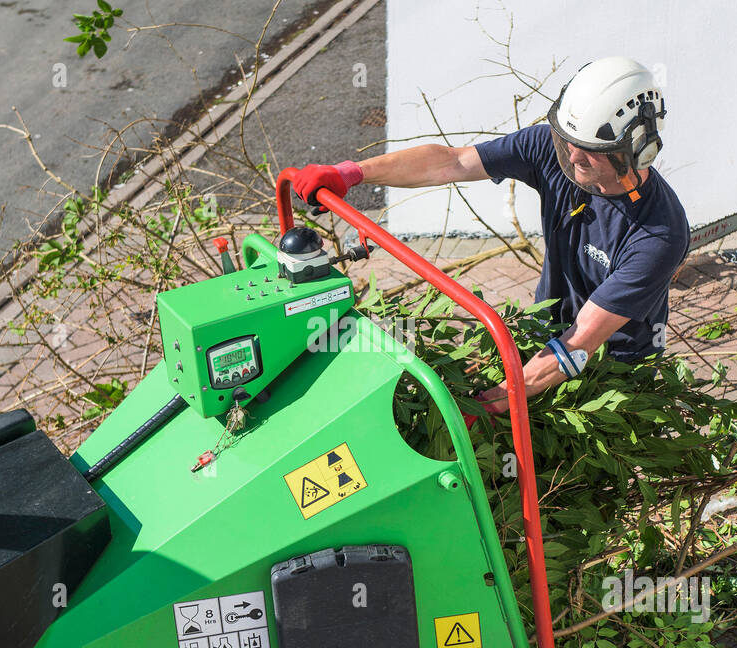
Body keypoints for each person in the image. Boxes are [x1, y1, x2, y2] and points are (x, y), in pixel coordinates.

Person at [292, 56, 689, 415]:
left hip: (612, 372)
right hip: (544, 333)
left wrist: (492, 403)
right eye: (567, 143)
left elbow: (581, 341)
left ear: (637, 149)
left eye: (587, 150)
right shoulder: (552, 151)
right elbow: (453, 162)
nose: (570, 157)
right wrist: (351, 173)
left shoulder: (659, 235)